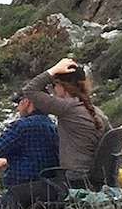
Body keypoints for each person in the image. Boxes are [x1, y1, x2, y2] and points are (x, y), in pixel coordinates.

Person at [21, 57, 111, 188]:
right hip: (94, 181)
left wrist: (53, 70)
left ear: (62, 87)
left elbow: (29, 91)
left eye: (54, 85)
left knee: (17, 194)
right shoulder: (97, 113)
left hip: (73, 181)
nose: (54, 89)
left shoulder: (67, 107)